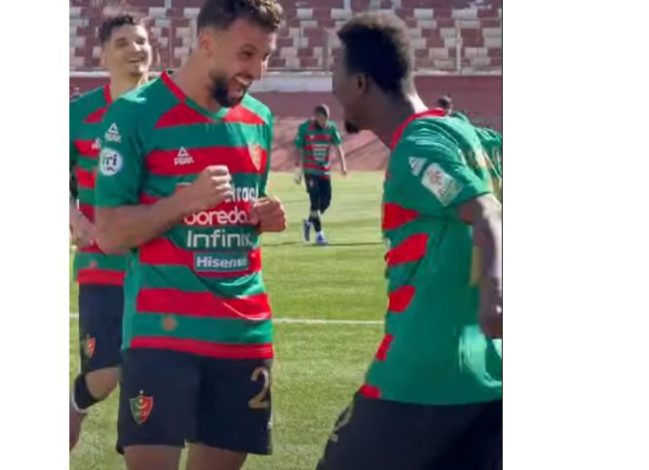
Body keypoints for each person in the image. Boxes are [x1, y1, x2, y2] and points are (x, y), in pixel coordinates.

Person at [93, 1, 286, 469]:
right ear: (206, 43)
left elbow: (238, 211)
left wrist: (262, 214)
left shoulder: (258, 119)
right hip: (162, 336)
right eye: (246, 54)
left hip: (244, 334)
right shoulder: (134, 115)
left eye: (265, 57)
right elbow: (111, 234)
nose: (257, 70)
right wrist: (183, 202)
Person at [316, 11, 503, 470]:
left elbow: (486, 212)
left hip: (418, 381)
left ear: (360, 83)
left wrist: (495, 292)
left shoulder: (416, 149)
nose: (333, 86)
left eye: (336, 71)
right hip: (489, 379)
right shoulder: (471, 136)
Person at [69, 13, 156, 450]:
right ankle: (74, 402)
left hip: (161, 266)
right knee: (104, 377)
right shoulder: (80, 114)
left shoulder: (171, 107)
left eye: (141, 41)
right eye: (122, 43)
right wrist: (72, 217)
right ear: (102, 56)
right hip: (101, 262)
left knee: (152, 373)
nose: (135, 49)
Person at [293, 104, 347, 245]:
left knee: (326, 201)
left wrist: (343, 166)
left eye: (326, 120)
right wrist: (297, 169)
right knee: (315, 201)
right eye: (322, 119)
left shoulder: (331, 128)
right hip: (310, 171)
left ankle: (309, 222)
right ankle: (319, 235)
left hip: (324, 171)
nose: (324, 123)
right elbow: (298, 148)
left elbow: (338, 146)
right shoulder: (305, 128)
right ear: (316, 117)